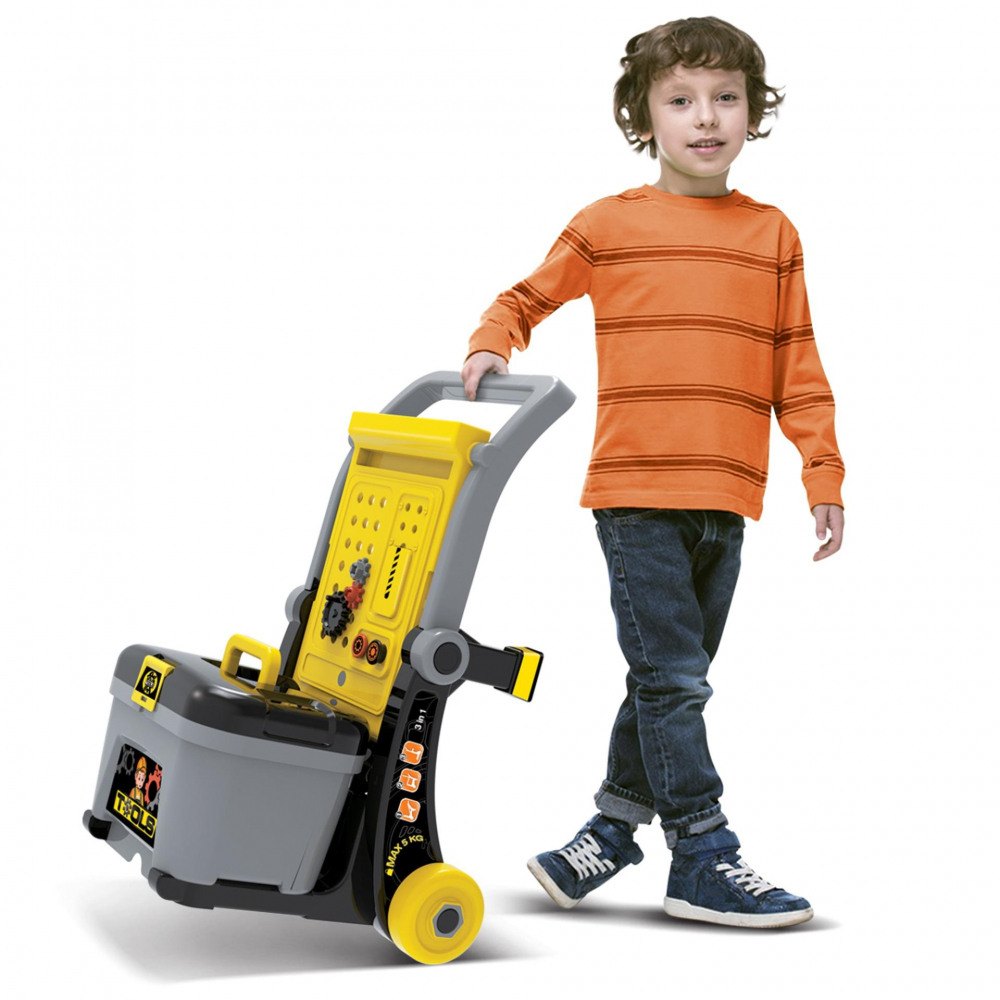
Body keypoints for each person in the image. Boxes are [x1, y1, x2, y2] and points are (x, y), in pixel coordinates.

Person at [460, 16, 845, 929]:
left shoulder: (773, 234)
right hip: (635, 496)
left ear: (753, 112)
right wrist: (493, 341)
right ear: (643, 116)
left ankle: (608, 831)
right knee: (676, 680)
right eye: (681, 100)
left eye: (726, 98)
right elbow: (526, 296)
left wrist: (822, 474)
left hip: (728, 499)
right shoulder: (609, 225)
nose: (705, 118)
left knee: (668, 682)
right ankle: (703, 854)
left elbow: (797, 365)